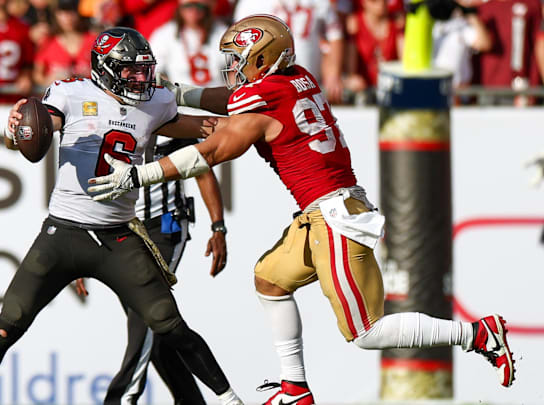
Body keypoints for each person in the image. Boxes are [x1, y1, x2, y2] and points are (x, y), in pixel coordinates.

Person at [87, 14, 517, 405]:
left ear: (264, 60)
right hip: (319, 213)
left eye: (241, 60)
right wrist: (180, 93)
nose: (235, 68)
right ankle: (294, 388)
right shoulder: (296, 77)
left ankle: (477, 334)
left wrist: (139, 176)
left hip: (334, 217)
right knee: (269, 279)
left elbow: (214, 149)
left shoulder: (264, 100)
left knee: (366, 332)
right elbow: (236, 98)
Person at [0, 26, 244, 405]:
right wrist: (14, 132)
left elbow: (211, 126)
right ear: (104, 68)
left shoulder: (155, 101)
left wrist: (255, 120)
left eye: (144, 70)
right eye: (130, 71)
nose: (141, 79)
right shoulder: (71, 93)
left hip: (118, 237)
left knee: (170, 326)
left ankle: (231, 399)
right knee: (10, 324)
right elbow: (36, 131)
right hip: (63, 233)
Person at [97, 136, 227, 405]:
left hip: (163, 228)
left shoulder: (167, 113)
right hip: (121, 230)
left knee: (145, 318)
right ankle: (190, 400)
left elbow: (201, 171)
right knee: (157, 332)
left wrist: (218, 227)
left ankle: (122, 397)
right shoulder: (110, 116)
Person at [233, 0, 345, 103]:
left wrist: (333, 74)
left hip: (308, 83)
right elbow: (238, 41)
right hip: (265, 86)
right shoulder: (250, 3)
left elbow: (334, 35)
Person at [149, 0, 228, 89]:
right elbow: (153, 70)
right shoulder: (165, 34)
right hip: (179, 97)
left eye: (199, 6)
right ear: (180, 8)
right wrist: (170, 89)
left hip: (215, 95)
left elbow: (233, 68)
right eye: (188, 6)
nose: (193, 11)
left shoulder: (222, 32)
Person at [33, 0, 96, 86]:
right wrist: (49, 81)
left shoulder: (94, 40)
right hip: (59, 96)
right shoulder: (48, 42)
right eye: (62, 13)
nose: (68, 18)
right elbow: (37, 74)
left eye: (71, 12)